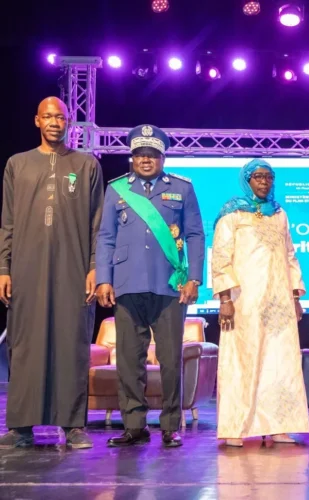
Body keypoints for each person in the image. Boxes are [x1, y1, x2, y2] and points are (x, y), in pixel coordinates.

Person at [0, 97, 104, 450]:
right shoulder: (18, 164)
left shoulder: (86, 165)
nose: (54, 122)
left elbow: (97, 224)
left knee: (72, 343)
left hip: (73, 268)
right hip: (26, 268)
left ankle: (73, 425)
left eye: (60, 117)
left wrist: (95, 266)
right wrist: (4, 268)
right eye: (47, 117)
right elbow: (7, 222)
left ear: (69, 121)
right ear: (37, 121)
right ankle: (21, 427)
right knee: (24, 345)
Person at [95, 124, 205, 448]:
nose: (146, 159)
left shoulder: (182, 188)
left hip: (170, 286)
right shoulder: (117, 189)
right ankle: (134, 426)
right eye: (140, 154)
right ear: (132, 157)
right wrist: (103, 278)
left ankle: (170, 426)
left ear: (163, 157)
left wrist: (194, 278)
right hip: (127, 283)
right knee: (130, 361)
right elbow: (106, 237)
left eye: (152, 154)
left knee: (170, 360)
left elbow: (195, 235)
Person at [211, 159, 309, 446]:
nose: (264, 182)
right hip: (245, 302)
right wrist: (225, 298)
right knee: (244, 360)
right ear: (247, 180)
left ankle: (278, 426)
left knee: (280, 362)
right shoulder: (232, 213)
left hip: (278, 302)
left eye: (268, 177)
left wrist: (295, 296)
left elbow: (290, 256)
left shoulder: (279, 214)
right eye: (258, 177)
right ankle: (236, 428)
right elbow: (221, 257)